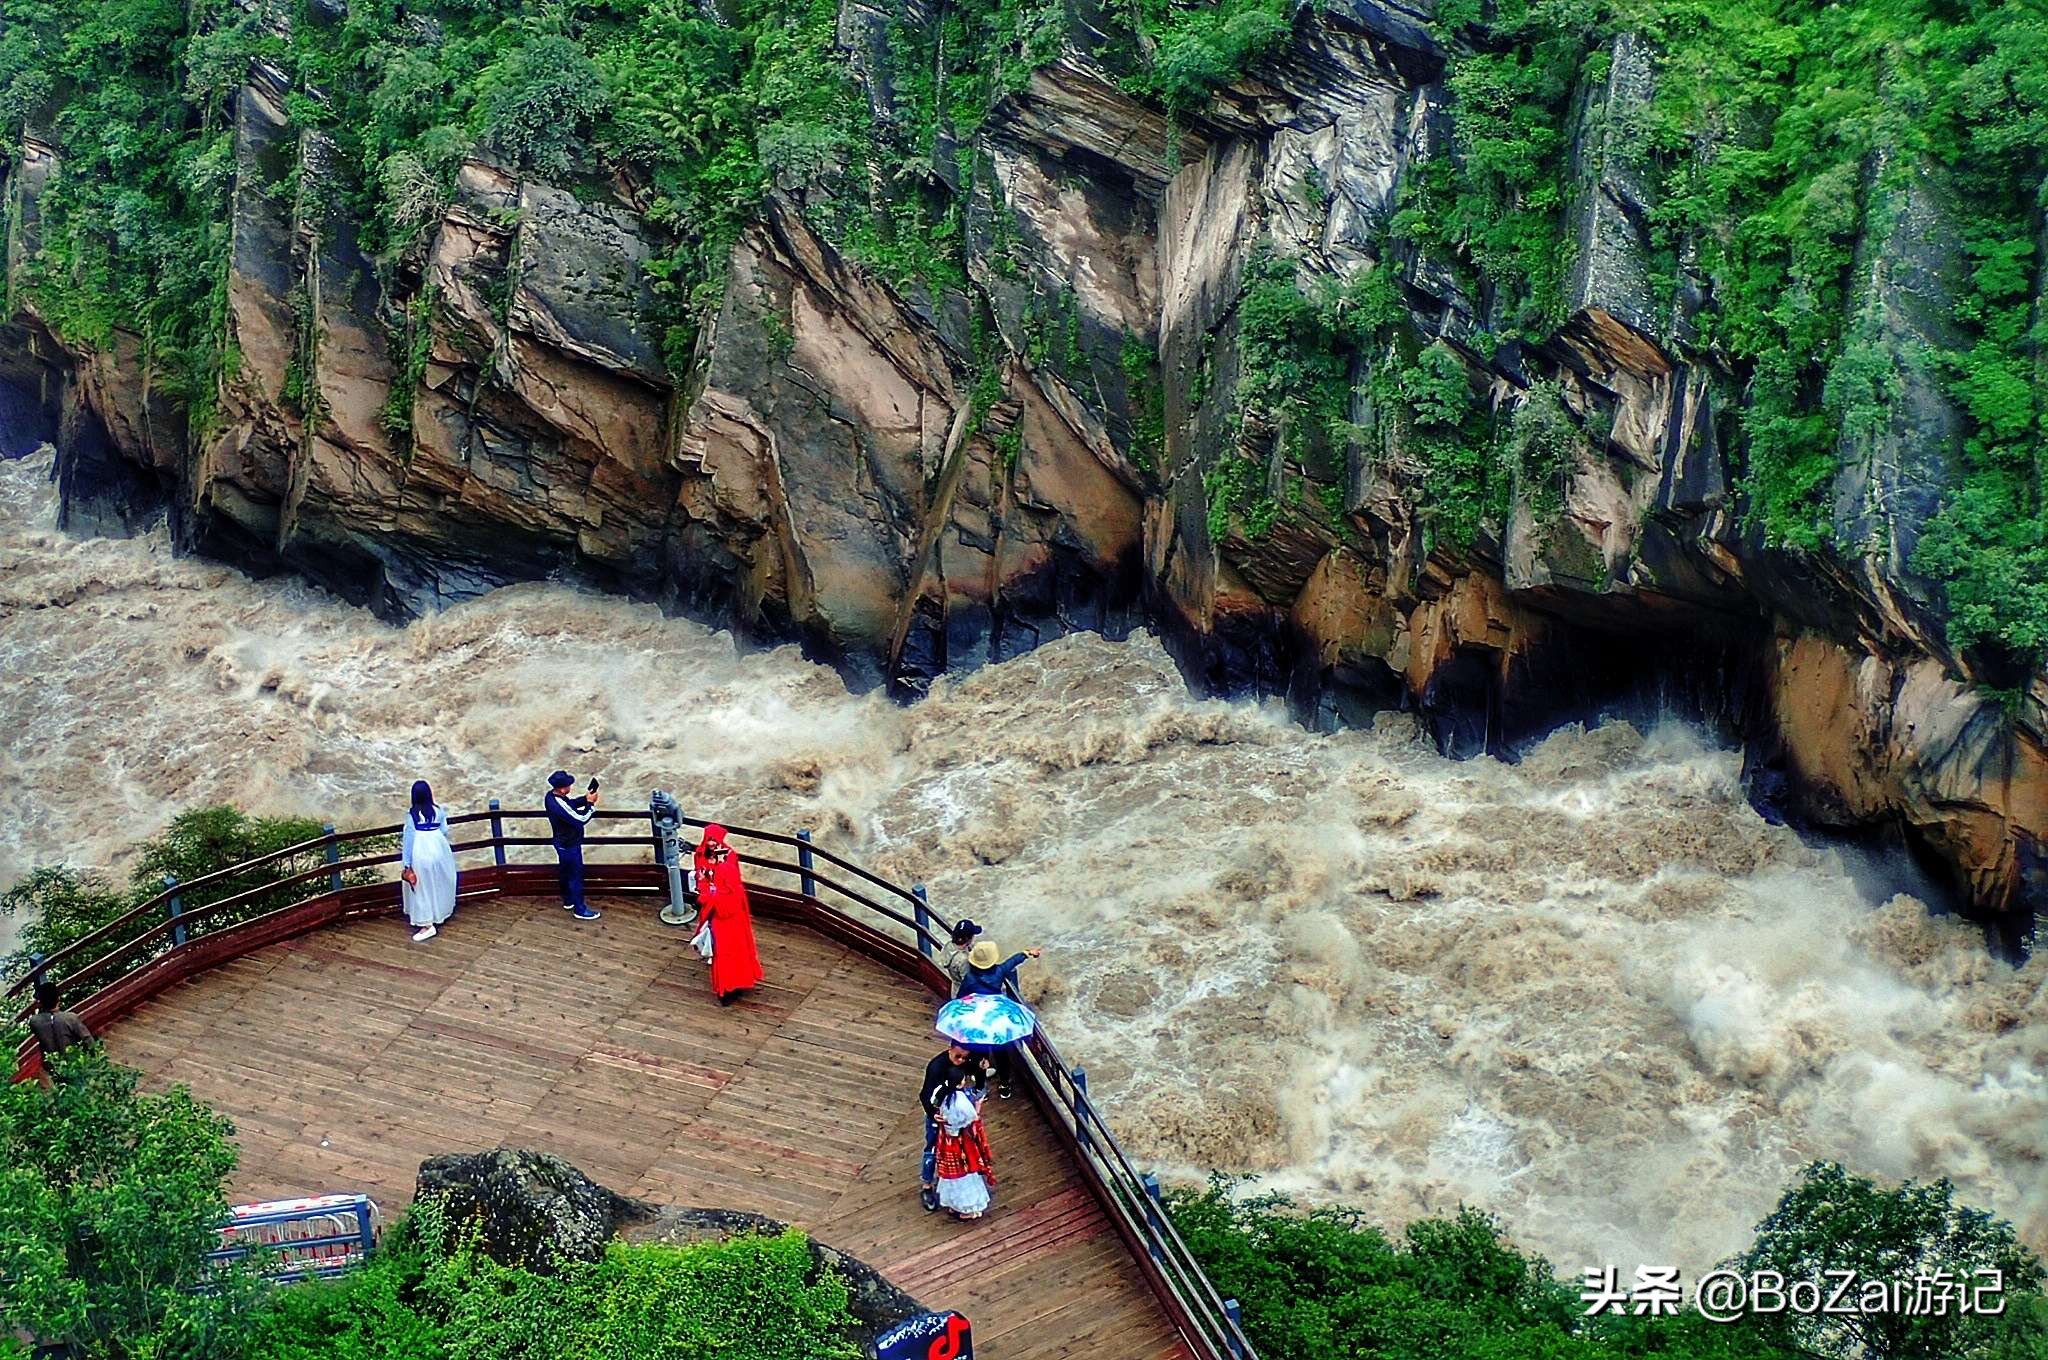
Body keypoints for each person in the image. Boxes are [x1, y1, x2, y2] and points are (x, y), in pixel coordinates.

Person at [956, 939, 1042, 1098]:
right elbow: (1012, 962)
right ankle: (1005, 1085)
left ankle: (981, 1088)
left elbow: (960, 999)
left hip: (979, 1020)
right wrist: (1028, 952)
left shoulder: (969, 979)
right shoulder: (999, 972)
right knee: (1001, 1054)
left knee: (979, 1055)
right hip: (996, 1020)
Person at [918, 1041, 993, 1211]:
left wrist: (981, 1069)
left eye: (963, 1058)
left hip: (958, 1119)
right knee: (931, 1148)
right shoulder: (936, 1067)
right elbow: (924, 1094)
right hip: (939, 1115)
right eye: (957, 1056)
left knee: (962, 1154)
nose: (960, 1060)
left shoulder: (969, 1061)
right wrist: (932, 1114)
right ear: (950, 1049)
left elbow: (979, 1086)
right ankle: (927, 1186)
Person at [692, 824, 763, 1004]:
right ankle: (726, 988)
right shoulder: (701, 855)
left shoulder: (727, 858)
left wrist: (711, 898)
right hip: (716, 910)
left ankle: (737, 984)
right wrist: (708, 896)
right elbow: (703, 881)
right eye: (709, 840)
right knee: (723, 952)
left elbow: (731, 888)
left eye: (715, 840)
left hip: (729, 911)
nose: (712, 844)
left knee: (736, 949)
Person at [400, 780, 457, 942]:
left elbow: (409, 838)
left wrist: (406, 863)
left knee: (420, 887)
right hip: (439, 849)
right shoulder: (438, 811)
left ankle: (427, 924)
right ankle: (439, 912)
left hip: (420, 850)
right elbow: (444, 830)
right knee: (437, 883)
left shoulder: (412, 814)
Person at [932, 1082, 995, 1220]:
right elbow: (971, 1119)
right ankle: (969, 1209)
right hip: (960, 1144)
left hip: (946, 1142)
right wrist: (978, 1106)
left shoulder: (940, 1094)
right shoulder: (959, 1102)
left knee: (952, 1176)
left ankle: (956, 1205)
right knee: (964, 1174)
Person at [545, 770, 601, 921]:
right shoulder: (558, 804)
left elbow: (569, 804)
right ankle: (580, 909)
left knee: (565, 872)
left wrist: (584, 799)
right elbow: (581, 818)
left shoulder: (551, 796)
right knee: (575, 876)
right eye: (569, 785)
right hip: (569, 845)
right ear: (563, 788)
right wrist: (590, 804)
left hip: (561, 842)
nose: (570, 786)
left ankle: (568, 900)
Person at [28, 981, 92, 1061]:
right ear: (58, 998)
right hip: (75, 1062)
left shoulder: (34, 1021)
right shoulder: (70, 1018)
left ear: (41, 1002)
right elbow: (88, 1040)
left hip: (53, 1064)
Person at [940, 918, 982, 993]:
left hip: (955, 989)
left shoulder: (948, 946)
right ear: (968, 939)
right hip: (965, 996)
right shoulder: (964, 960)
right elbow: (969, 983)